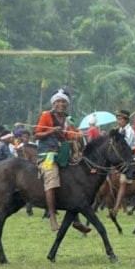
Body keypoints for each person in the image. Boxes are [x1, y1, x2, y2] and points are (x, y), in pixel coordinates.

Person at [33, 89, 90, 233]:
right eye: (58, 101)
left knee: (76, 180)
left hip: (63, 155)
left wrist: (78, 134)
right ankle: (52, 217)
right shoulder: (46, 115)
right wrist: (51, 131)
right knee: (51, 179)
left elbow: (71, 134)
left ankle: (75, 220)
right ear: (54, 103)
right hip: (48, 155)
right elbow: (37, 134)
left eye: (64, 102)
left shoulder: (67, 119)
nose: (61, 104)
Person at [112, 109, 135, 215]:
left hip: (128, 159)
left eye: (120, 119)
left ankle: (116, 209)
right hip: (118, 159)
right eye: (117, 119)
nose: (118, 121)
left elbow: (125, 147)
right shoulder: (120, 130)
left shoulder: (129, 131)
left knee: (122, 182)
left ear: (126, 120)